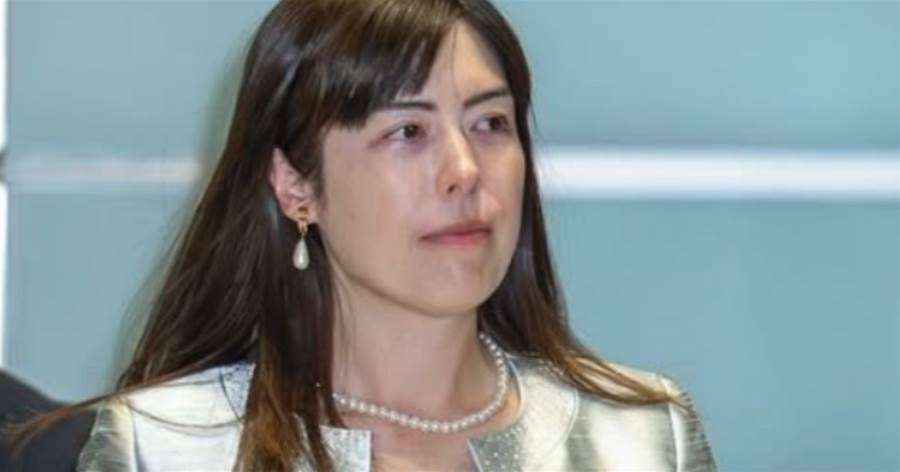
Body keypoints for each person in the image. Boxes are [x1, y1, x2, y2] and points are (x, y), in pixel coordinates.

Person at [35, 0, 717, 470]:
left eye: (490, 124)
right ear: (295, 184)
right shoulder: (164, 448)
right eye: (407, 132)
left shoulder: (642, 439)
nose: (464, 170)